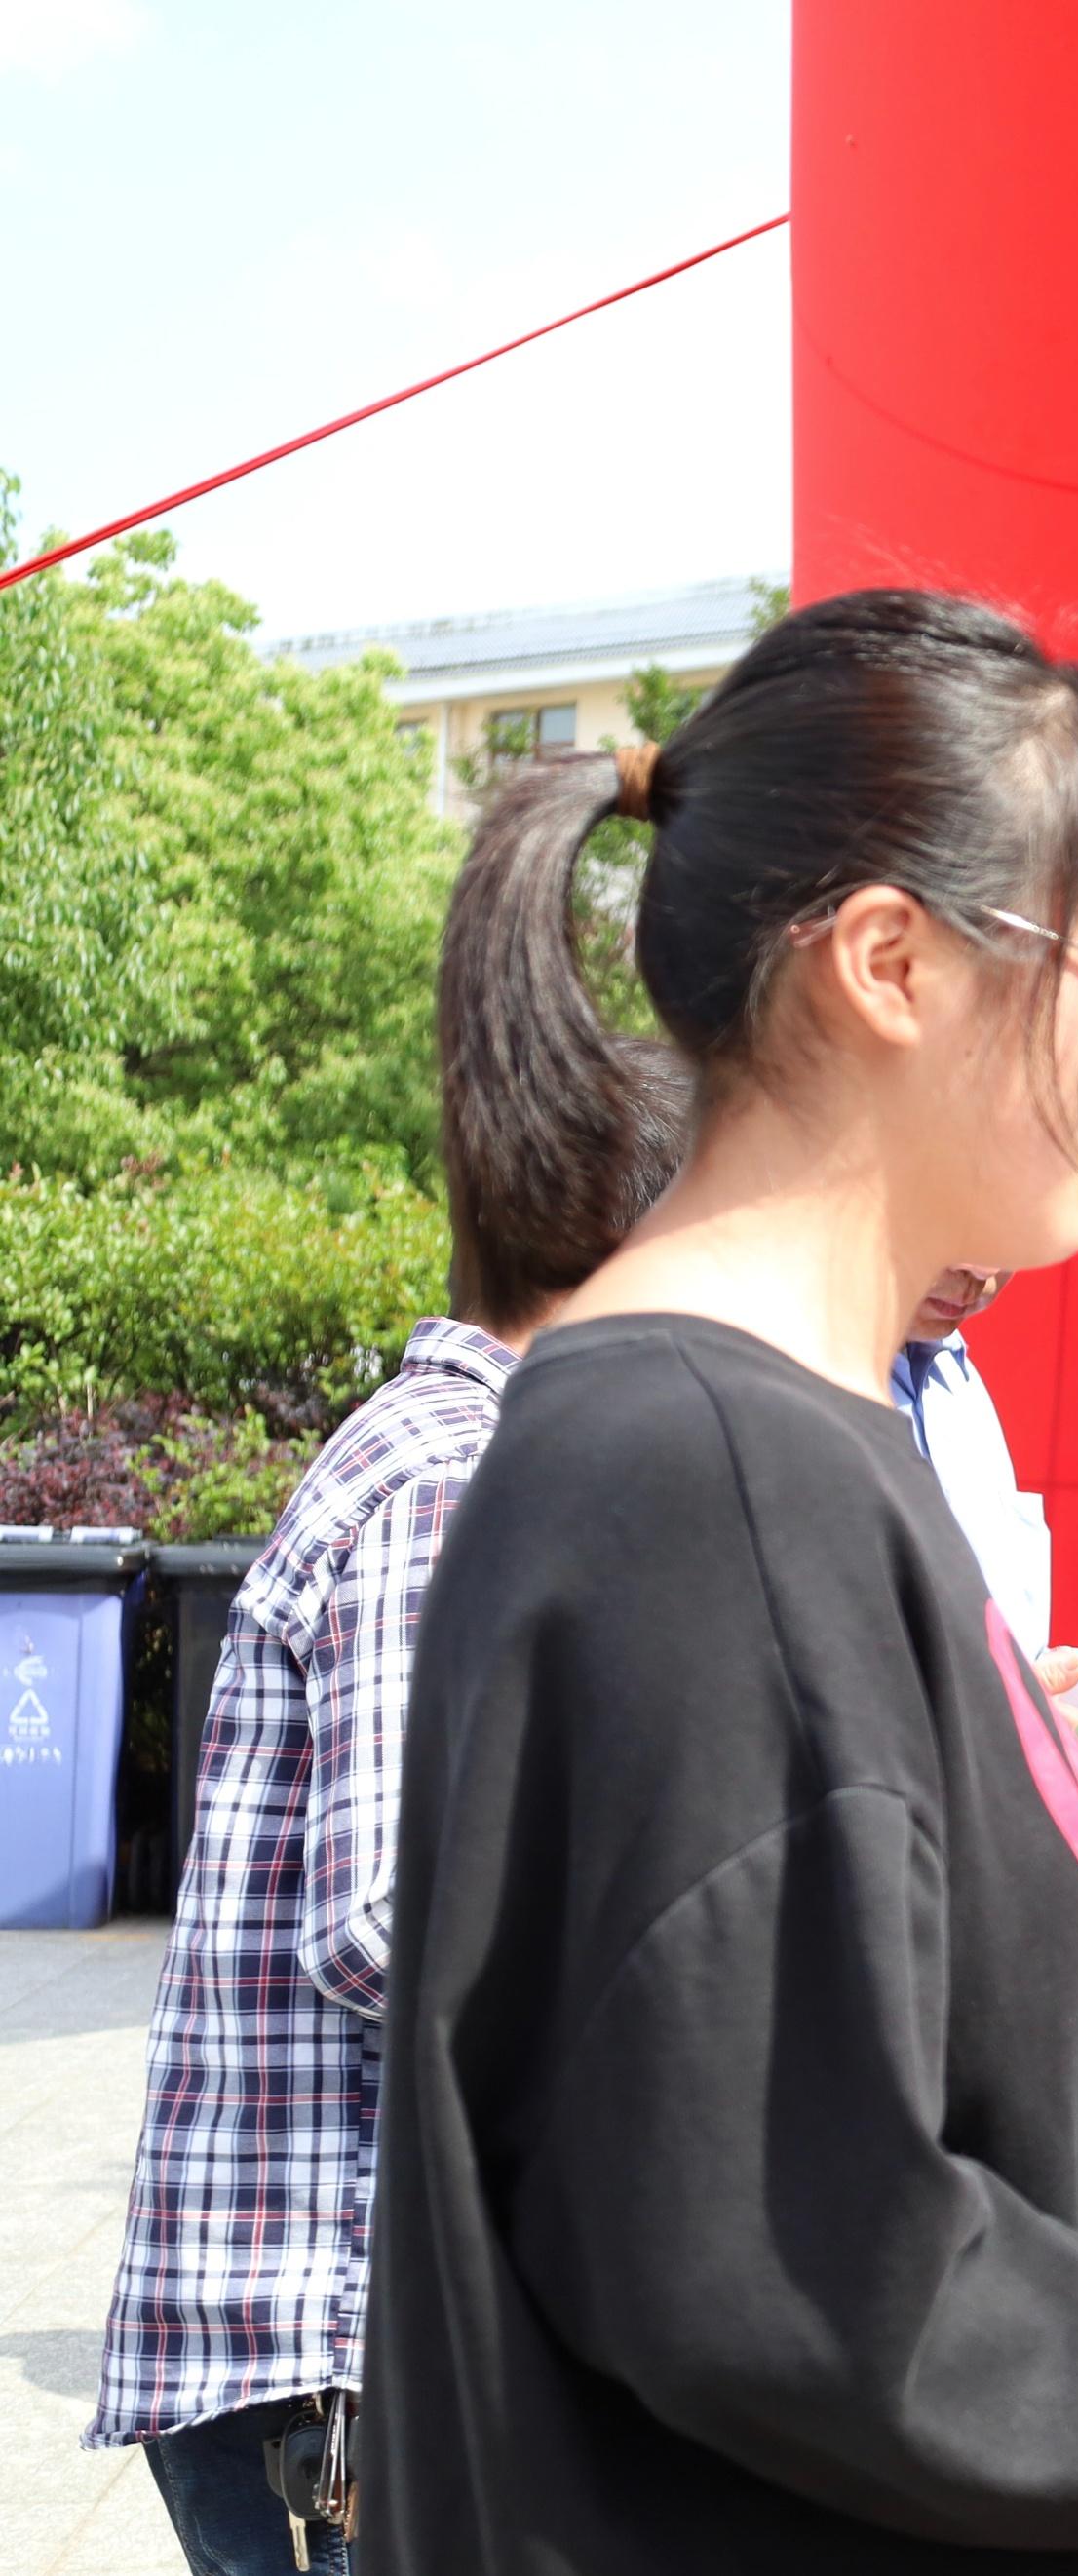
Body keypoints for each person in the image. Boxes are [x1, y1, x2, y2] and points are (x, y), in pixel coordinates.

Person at [360, 593, 1078, 2574]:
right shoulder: (712, 1478)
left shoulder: (743, 1436)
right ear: (888, 963)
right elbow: (810, 2285)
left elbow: (723, 2081)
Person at [88, 924, 694, 2576]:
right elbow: (395, 1920)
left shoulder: (461, 1456)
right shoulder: (449, 1480)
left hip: (337, 2332)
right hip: (332, 2337)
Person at [888, 1265, 1048, 1653]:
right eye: (956, 1218)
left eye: (1015, 1235)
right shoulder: (783, 1385)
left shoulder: (954, 1371)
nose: (984, 1268)